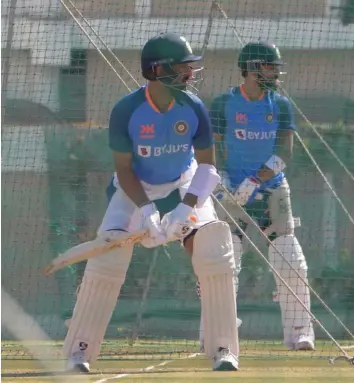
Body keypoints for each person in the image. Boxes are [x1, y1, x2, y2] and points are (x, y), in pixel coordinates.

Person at [63, 32, 240, 373]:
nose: (190, 75)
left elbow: (207, 168)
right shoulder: (127, 110)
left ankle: (222, 348)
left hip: (183, 183)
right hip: (136, 188)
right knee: (109, 249)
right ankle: (79, 350)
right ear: (159, 71)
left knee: (213, 246)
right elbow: (124, 171)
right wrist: (147, 211)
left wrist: (185, 210)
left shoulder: (194, 107)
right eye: (183, 68)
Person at [199, 41, 315, 352]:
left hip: (272, 189)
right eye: (270, 66)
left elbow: (284, 151)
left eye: (276, 67)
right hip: (231, 192)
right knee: (225, 261)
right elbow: (214, 148)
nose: (276, 72)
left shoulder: (280, 104)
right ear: (251, 68)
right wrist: (220, 180)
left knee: (291, 259)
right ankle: (215, 333)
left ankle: (300, 333)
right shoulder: (224, 103)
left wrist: (255, 179)